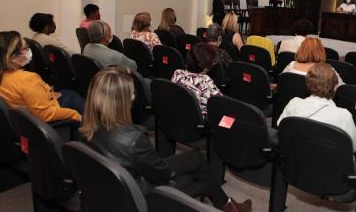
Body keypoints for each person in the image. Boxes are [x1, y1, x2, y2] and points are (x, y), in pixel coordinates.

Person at [80, 67, 251, 212]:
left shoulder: (86, 128)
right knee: (200, 169)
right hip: (144, 195)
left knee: (196, 157)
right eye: (131, 94)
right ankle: (229, 206)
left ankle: (228, 204)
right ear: (120, 101)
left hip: (116, 189)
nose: (133, 98)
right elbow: (163, 174)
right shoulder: (133, 139)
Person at [0, 31, 82, 122]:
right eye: (25, 48)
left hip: (16, 123)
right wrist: (75, 114)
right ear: (13, 57)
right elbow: (46, 114)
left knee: (65, 93)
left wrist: (49, 93)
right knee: (72, 97)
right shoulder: (27, 79)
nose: (29, 51)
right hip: (38, 123)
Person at [277, 62, 356, 151]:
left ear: (307, 83)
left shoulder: (293, 103)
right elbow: (354, 147)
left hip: (296, 158)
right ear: (335, 87)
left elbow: (281, 127)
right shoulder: (344, 116)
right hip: (330, 163)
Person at [171, 43, 222, 117]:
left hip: (177, 114)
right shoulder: (205, 81)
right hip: (199, 121)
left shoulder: (177, 73)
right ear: (205, 69)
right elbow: (221, 103)